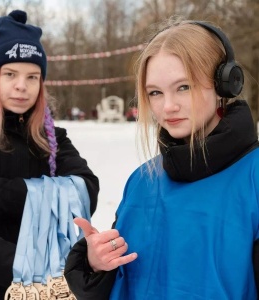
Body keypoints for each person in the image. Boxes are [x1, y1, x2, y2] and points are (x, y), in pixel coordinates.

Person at [64, 17, 259, 299]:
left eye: (184, 87)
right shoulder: (142, 181)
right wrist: (96, 265)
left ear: (225, 83)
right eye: (155, 92)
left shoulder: (253, 178)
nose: (168, 106)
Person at [0, 10, 99, 299]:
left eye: (32, 76)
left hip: (48, 287)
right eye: (11, 74)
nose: (22, 86)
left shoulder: (51, 138)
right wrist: (29, 270)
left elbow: (84, 192)